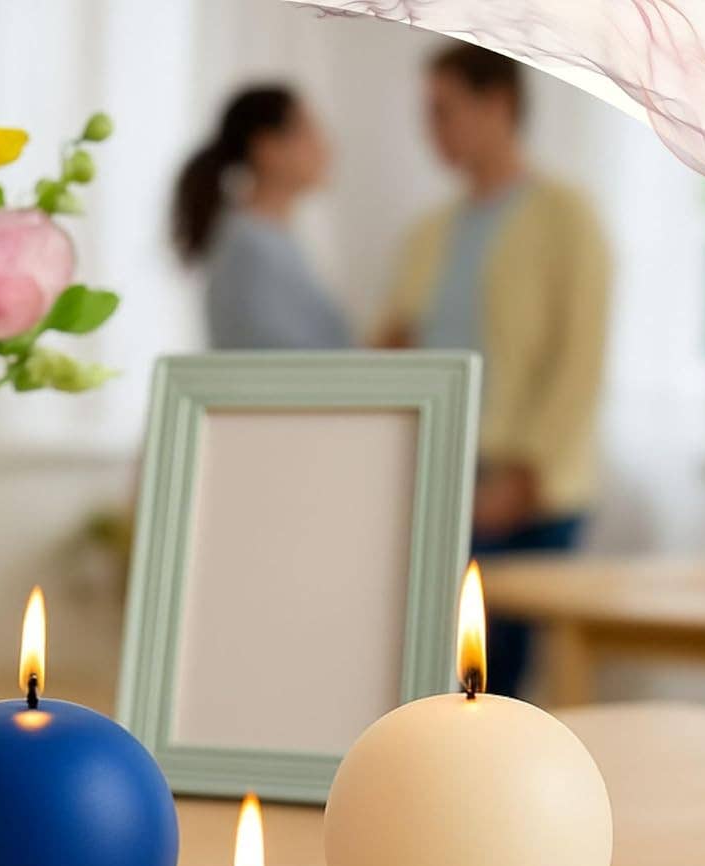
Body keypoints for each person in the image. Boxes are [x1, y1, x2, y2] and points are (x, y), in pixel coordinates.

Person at [378, 43, 611, 697]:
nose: (433, 129)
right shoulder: (430, 232)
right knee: (430, 669)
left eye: (443, 110)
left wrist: (524, 477)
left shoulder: (567, 216)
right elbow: (396, 344)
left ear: (498, 104)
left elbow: (580, 362)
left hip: (530, 488)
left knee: (497, 678)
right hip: (443, 479)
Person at [174, 86, 351, 351]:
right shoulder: (250, 247)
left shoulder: (270, 239)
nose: (325, 146)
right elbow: (276, 358)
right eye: (309, 131)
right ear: (267, 148)